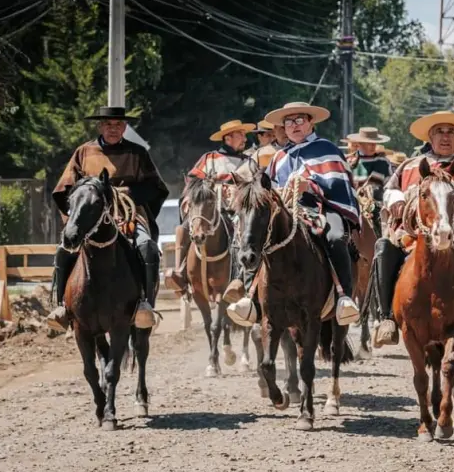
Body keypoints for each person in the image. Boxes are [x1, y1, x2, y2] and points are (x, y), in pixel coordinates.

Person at [224, 102, 361, 328]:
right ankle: (249, 296)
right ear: (284, 128)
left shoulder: (327, 148)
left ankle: (344, 297)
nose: (294, 125)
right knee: (252, 234)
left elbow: (339, 182)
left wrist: (311, 185)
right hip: (286, 211)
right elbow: (265, 188)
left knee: (335, 236)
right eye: (289, 122)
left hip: (322, 209)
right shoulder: (279, 158)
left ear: (310, 123)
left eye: (299, 120)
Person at [372, 111, 454, 351]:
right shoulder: (410, 165)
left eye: (451, 132)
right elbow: (389, 190)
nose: (445, 137)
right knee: (383, 248)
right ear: (430, 136)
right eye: (439, 131)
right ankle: (385, 316)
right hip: (411, 237)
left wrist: (443, 197)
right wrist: (396, 199)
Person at [46, 106, 169, 332]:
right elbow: (64, 190)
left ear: (124, 127)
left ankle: (145, 304)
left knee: (147, 247)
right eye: (108, 125)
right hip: (91, 217)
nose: (113, 129)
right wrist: (74, 219)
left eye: (118, 125)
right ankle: (62, 307)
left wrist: (130, 194)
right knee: (64, 249)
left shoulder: (138, 153)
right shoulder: (83, 152)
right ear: (100, 126)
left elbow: (156, 187)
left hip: (128, 214)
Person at [164, 119, 254, 296]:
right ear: (228, 138)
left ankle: (242, 278)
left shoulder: (249, 162)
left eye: (244, 135)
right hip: (208, 209)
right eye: (241, 134)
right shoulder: (209, 158)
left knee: (248, 234)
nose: (245, 138)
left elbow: (255, 187)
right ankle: (180, 273)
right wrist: (192, 197)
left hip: (237, 212)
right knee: (184, 228)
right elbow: (192, 183)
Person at [344, 127, 394, 236]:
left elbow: (390, 187)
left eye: (374, 143)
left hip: (376, 210)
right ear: (359, 144)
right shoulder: (349, 162)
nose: (373, 146)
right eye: (369, 143)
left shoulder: (383, 162)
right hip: (353, 208)